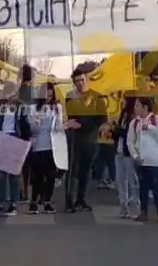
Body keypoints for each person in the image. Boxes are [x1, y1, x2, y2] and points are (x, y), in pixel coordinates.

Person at [64, 68, 106, 212]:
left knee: (85, 171)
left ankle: (81, 199)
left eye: (82, 80)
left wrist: (84, 125)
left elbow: (101, 119)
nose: (80, 83)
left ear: (86, 79)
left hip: (91, 139)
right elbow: (70, 117)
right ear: (74, 83)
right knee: (73, 171)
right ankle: (70, 201)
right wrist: (72, 123)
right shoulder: (70, 97)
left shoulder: (97, 97)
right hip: (75, 139)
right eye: (77, 81)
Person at [126, 98, 158, 223]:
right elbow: (130, 141)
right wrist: (135, 156)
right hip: (141, 159)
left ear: (145, 107)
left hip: (154, 158)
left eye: (138, 105)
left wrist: (149, 127)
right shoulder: (134, 122)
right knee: (143, 186)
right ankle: (143, 211)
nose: (135, 108)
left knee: (156, 186)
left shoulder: (156, 119)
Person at [26, 82, 63, 214]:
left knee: (51, 175)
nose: (48, 97)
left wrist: (63, 124)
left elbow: (59, 127)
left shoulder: (57, 107)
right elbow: (33, 129)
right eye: (46, 95)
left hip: (52, 146)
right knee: (37, 176)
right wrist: (37, 121)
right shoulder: (33, 108)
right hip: (37, 146)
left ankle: (47, 201)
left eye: (50, 95)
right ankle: (34, 201)